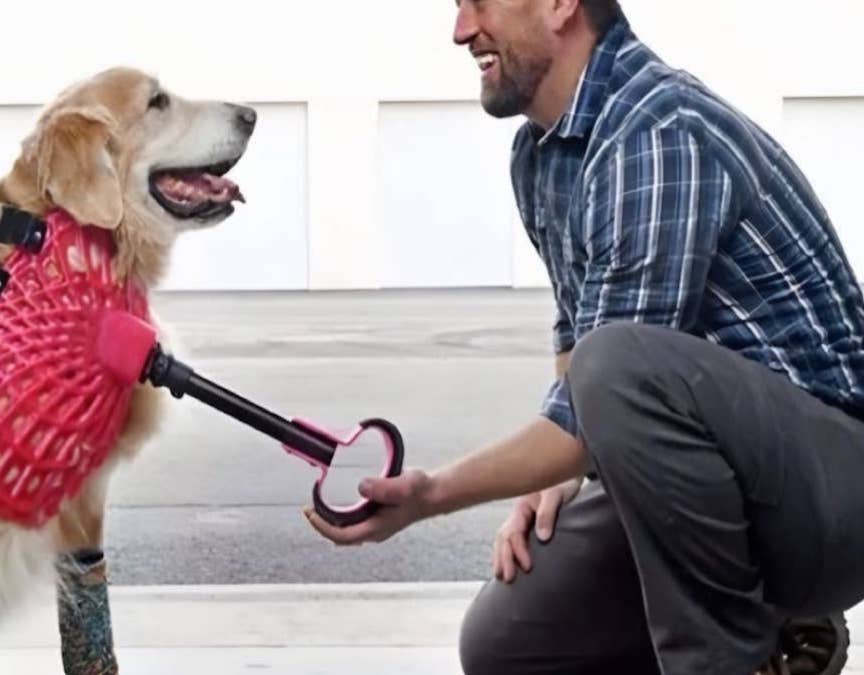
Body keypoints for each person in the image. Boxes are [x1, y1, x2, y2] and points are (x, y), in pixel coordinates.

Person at [304, 1, 864, 673]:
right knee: (509, 640)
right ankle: (781, 635)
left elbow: (609, 375)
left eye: (479, 2)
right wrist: (556, 469)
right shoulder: (540, 158)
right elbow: (578, 361)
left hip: (834, 494)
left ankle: (735, 653)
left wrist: (431, 495)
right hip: (730, 490)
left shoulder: (656, 129)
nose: (460, 30)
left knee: (617, 365)